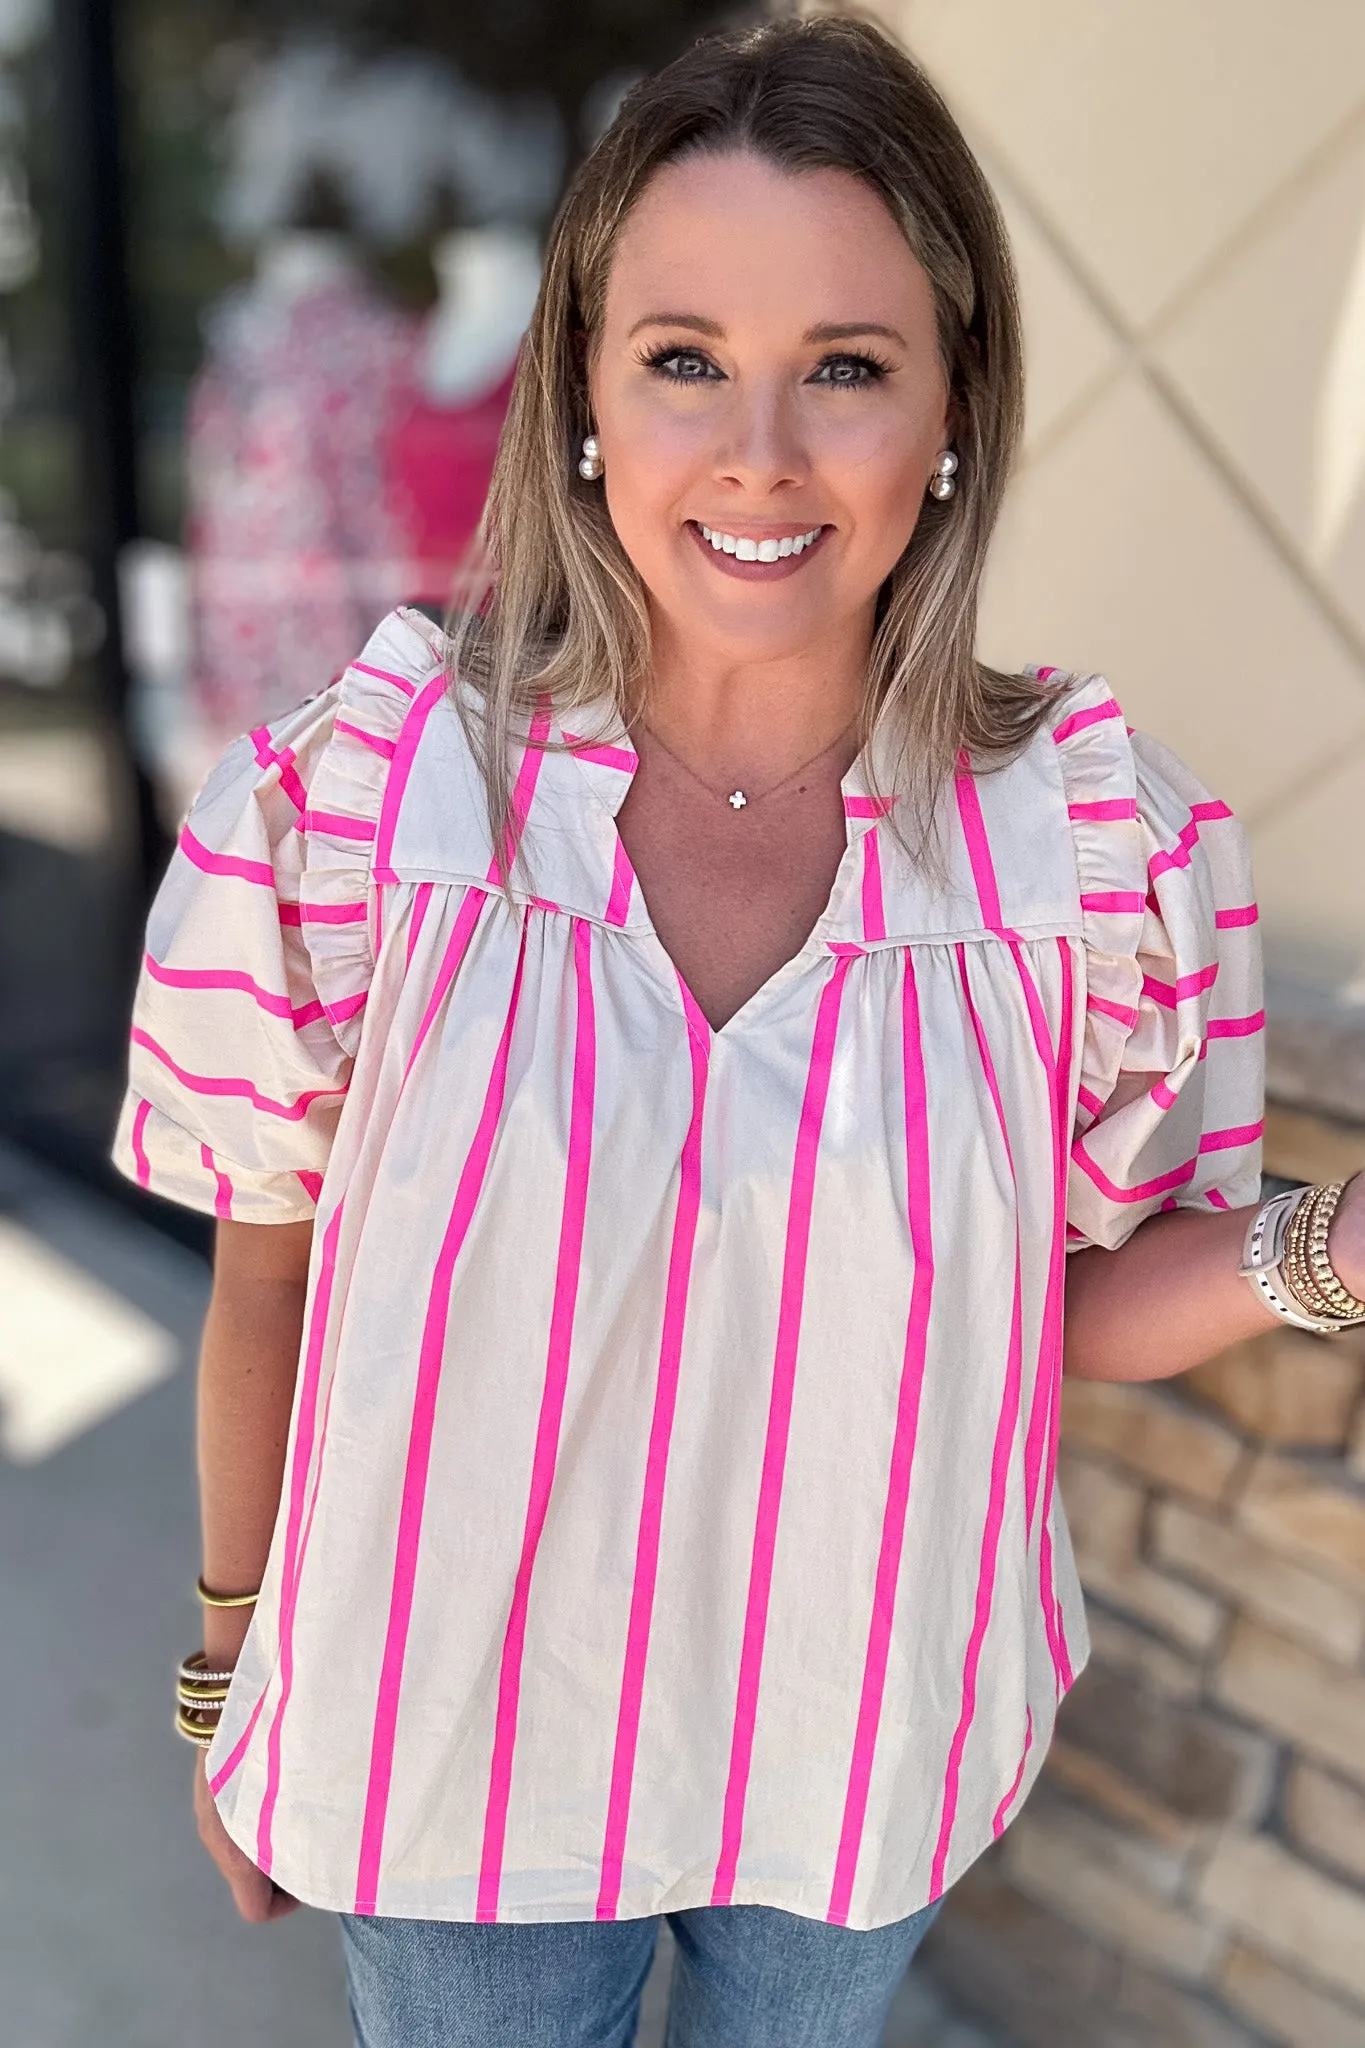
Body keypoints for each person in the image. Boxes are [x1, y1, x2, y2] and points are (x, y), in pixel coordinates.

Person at [114, 16, 1365, 2047]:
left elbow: (1053, 1297)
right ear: (586, 398)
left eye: (846, 369)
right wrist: (226, 1665)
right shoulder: (363, 809)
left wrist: (1324, 1255)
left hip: (859, 1754)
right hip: (448, 1770)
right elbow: (269, 1277)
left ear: (952, 412)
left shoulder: (1091, 853)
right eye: (682, 356)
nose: (757, 454)